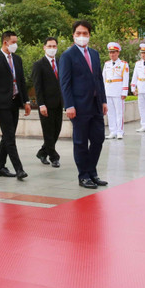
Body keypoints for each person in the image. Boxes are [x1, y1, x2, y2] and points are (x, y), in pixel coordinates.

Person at [59, 20, 108, 189]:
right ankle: (84, 175)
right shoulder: (68, 55)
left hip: (95, 105)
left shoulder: (94, 54)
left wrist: (103, 100)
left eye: (85, 33)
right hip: (78, 106)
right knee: (80, 142)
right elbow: (65, 83)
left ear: (89, 35)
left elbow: (99, 79)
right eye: (78, 33)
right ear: (73, 35)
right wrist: (69, 105)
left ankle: (92, 172)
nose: (82, 36)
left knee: (98, 139)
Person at [0, 31, 30, 180]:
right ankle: (19, 169)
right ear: (5, 42)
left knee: (8, 135)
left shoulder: (17, 59)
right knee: (10, 137)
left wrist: (27, 101)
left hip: (15, 102)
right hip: (2, 104)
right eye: (13, 42)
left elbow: (22, 81)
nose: (15, 45)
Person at [32, 37, 63, 167]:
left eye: (54, 46)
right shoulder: (38, 64)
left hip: (59, 103)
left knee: (56, 131)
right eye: (49, 46)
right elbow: (37, 87)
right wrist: (41, 104)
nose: (52, 49)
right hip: (46, 104)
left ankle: (42, 152)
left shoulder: (61, 62)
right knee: (48, 132)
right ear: (44, 47)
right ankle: (54, 157)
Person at [102, 42, 129, 139]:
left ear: (118, 53)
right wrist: (102, 91)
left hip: (118, 91)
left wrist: (124, 91)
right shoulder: (107, 64)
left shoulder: (123, 64)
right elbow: (103, 78)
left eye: (114, 52)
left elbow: (125, 78)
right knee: (110, 112)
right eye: (110, 52)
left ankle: (119, 131)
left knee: (119, 112)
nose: (112, 54)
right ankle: (112, 131)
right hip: (108, 90)